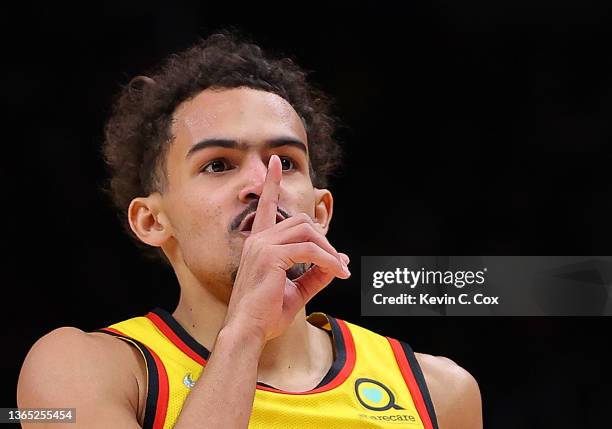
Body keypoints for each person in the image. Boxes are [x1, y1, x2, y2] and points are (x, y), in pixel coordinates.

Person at [17, 31, 482, 428]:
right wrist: (244, 334)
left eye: (288, 163)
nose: (264, 185)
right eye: (218, 165)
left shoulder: (440, 394)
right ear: (152, 220)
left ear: (320, 213)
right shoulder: (81, 368)